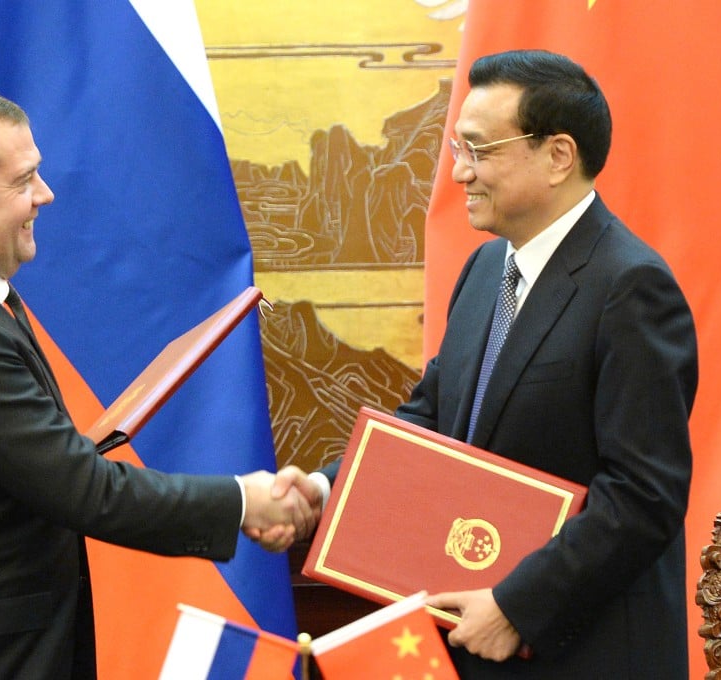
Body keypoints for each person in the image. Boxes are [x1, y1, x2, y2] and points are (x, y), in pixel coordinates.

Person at [0, 86, 320, 680]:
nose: (44, 195)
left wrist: (14, 481)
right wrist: (245, 501)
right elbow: (86, 494)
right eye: (22, 181)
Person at [271, 49, 698, 678]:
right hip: (475, 643)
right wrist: (326, 489)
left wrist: (516, 606)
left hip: (583, 651)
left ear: (558, 156)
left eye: (479, 151)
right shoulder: (486, 270)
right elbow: (431, 419)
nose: (460, 173)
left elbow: (644, 497)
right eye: (456, 150)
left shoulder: (631, 287)